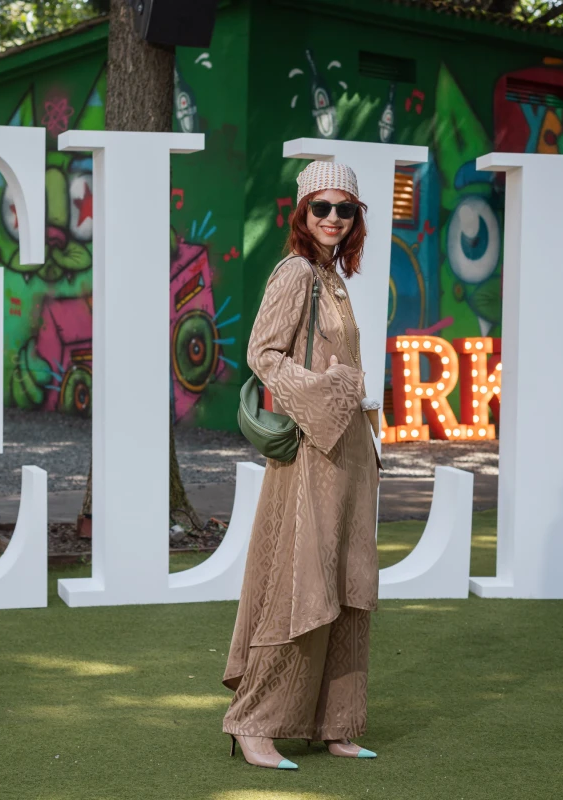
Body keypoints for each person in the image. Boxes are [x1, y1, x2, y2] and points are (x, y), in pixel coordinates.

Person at [222, 161, 383, 770]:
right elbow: (262, 353)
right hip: (314, 451)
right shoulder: (295, 272)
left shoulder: (331, 275)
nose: (333, 218)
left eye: (346, 209)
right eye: (322, 207)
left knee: (346, 583)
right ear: (302, 212)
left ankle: (334, 722)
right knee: (302, 583)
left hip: (349, 454)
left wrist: (354, 405)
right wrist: (330, 391)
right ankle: (254, 723)